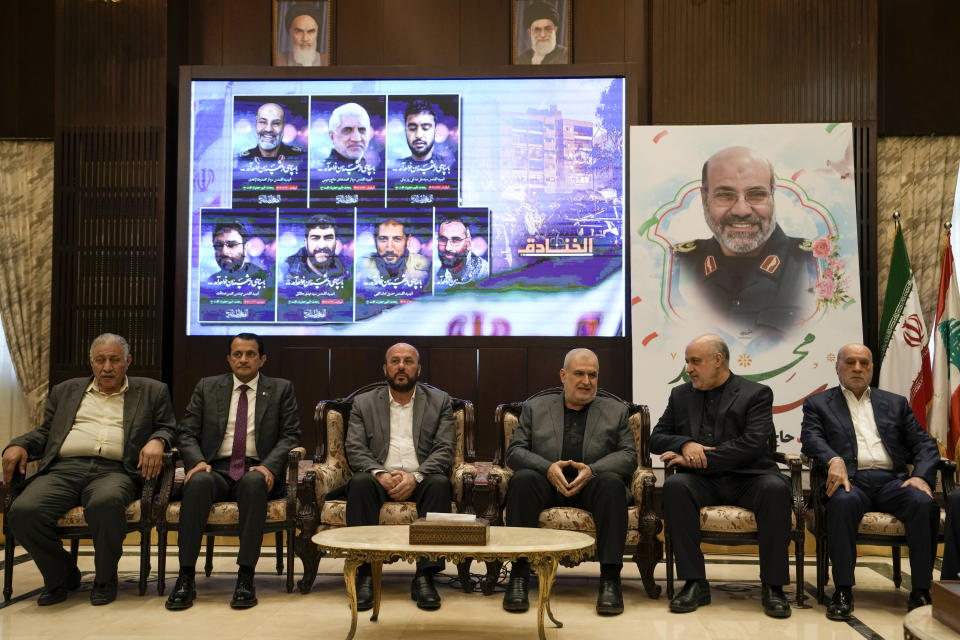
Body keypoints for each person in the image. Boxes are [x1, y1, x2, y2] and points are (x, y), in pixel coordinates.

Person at [2, 333, 176, 606]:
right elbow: (46, 432)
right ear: (91, 363)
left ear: (128, 361)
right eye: (100, 360)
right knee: (23, 512)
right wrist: (18, 445)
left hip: (115, 470)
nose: (107, 367)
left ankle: (105, 578)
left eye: (115, 360)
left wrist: (158, 439)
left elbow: (169, 427)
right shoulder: (66, 390)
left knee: (105, 504)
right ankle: (62, 576)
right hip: (64, 469)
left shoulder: (152, 390)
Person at [651, 334, 793, 618]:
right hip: (701, 481)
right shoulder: (680, 395)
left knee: (776, 489)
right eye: (687, 362)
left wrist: (700, 459)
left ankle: (773, 586)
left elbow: (751, 445)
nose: (688, 369)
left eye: (695, 362)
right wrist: (685, 445)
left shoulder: (756, 393)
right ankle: (694, 583)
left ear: (718, 361)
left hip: (749, 477)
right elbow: (656, 438)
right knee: (676, 486)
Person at [800, 343, 940, 620]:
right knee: (842, 503)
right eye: (850, 362)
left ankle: (921, 590)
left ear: (872, 368)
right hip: (851, 480)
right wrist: (833, 459)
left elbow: (924, 444)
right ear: (838, 366)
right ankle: (843, 590)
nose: (857, 368)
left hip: (893, 481)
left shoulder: (894, 402)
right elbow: (812, 438)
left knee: (924, 504)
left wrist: (921, 477)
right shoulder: (818, 404)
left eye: (864, 363)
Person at [165, 333, 300, 611]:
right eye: (237, 354)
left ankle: (245, 577)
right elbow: (186, 432)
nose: (243, 359)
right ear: (229, 358)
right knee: (198, 483)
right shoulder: (208, 387)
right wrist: (197, 462)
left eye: (250, 354)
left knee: (254, 483)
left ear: (262, 359)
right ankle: (186, 576)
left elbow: (290, 436)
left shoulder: (280, 388)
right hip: (215, 468)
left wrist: (269, 465)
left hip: (256, 467)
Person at [502, 348, 635, 616]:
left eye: (592, 375)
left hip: (593, 485)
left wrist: (593, 470)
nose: (587, 381)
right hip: (546, 484)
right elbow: (515, 452)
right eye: (579, 374)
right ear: (563, 375)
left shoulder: (616, 411)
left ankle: (610, 579)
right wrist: (547, 467)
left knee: (611, 484)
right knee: (523, 480)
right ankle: (518, 575)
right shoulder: (535, 408)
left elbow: (629, 456)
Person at [343, 343, 455, 611]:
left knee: (439, 484)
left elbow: (444, 449)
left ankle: (426, 576)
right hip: (380, 476)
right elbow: (355, 449)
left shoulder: (439, 401)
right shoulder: (364, 402)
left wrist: (415, 477)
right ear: (385, 368)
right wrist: (380, 474)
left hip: (422, 476)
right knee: (359, 483)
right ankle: (366, 573)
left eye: (408, 361)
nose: (401, 366)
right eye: (395, 361)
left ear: (418, 368)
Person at [672, 146, 818, 343]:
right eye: (725, 195)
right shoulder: (676, 265)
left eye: (756, 194)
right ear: (704, 199)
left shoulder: (816, 265)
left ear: (772, 197)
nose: (741, 210)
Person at [359, 219, 429, 287]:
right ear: (375, 241)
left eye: (397, 239)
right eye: (383, 239)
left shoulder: (423, 266)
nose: (389, 248)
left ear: (408, 241)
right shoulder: (361, 266)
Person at [283, 214, 349, 284]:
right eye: (315, 238)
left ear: (335, 242)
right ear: (306, 243)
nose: (322, 246)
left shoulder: (345, 271)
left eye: (328, 238)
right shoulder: (288, 271)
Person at [207, 221, 271, 285]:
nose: (224, 252)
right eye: (218, 245)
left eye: (231, 245)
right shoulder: (211, 282)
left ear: (245, 247)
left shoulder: (263, 279)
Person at [238, 103, 304, 163]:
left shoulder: (300, 157)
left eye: (276, 123)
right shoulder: (242, 160)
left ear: (283, 127)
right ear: (256, 125)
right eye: (263, 122)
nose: (268, 129)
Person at [435, 217, 488, 287]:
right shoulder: (438, 272)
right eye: (442, 239)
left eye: (455, 240)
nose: (447, 248)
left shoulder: (484, 273)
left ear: (468, 244)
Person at [276, 3, 328, 67]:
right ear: (290, 32)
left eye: (311, 31)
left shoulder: (327, 62)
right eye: (299, 31)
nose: (305, 39)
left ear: (317, 33)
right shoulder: (277, 61)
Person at [323, 102, 373, 169]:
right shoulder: (322, 174)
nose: (357, 139)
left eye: (362, 130)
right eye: (347, 130)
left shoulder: (370, 173)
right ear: (332, 137)